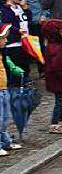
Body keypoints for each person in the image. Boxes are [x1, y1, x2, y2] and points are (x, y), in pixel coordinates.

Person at [0, 25, 26, 155]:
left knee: (5, 118)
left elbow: (7, 64)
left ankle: (5, 142)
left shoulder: (3, 53)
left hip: (3, 88)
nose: (6, 41)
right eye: (3, 39)